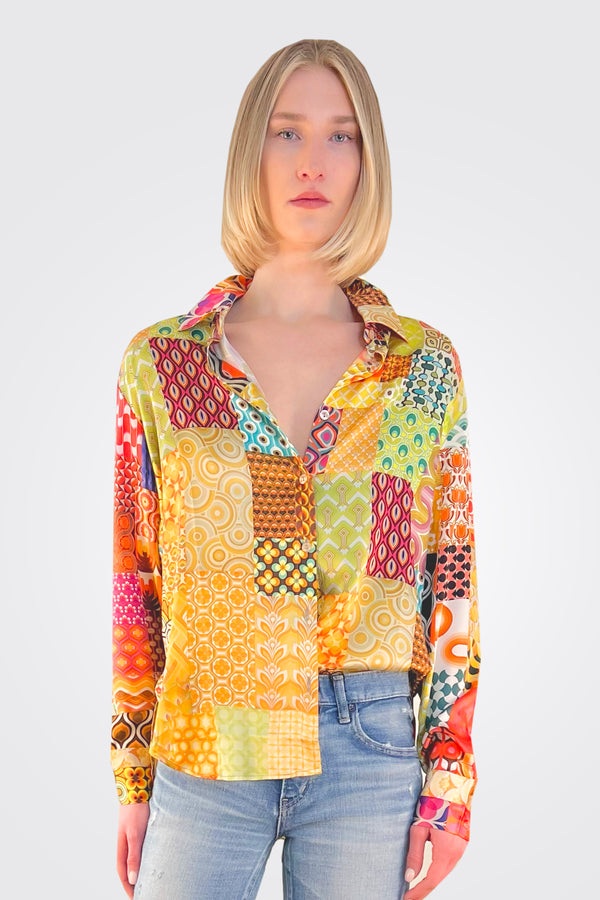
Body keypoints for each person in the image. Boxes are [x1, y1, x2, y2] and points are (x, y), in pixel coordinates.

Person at [112, 38, 480, 900]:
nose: (313, 161)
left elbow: (452, 580)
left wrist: (450, 784)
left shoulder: (419, 367)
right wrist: (132, 774)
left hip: (369, 748)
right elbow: (137, 581)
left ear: (367, 161)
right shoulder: (165, 363)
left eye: (341, 135)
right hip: (205, 740)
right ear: (252, 150)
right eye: (288, 132)